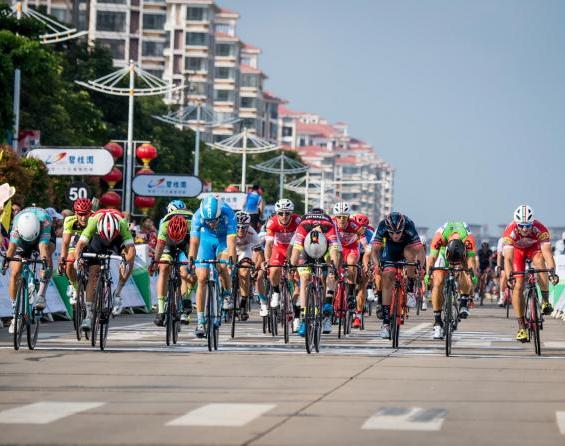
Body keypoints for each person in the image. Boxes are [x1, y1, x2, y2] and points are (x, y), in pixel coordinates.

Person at [503, 205, 559, 342]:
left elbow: (548, 254)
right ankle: (522, 326)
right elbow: (508, 259)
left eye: (527, 226)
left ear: (532, 223)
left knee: (540, 261)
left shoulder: (541, 229)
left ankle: (545, 301)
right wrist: (510, 276)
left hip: (534, 249)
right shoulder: (510, 231)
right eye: (521, 225)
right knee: (519, 284)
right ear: (517, 224)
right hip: (518, 253)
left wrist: (552, 272)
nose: (524, 229)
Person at [73, 209, 136, 329]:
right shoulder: (93, 222)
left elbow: (131, 250)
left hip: (117, 240)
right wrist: (78, 259)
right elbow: (79, 245)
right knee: (93, 273)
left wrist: (125, 261)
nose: (108, 241)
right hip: (98, 239)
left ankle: (117, 292)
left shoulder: (122, 223)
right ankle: (89, 315)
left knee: (129, 263)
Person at [188, 195, 237, 338]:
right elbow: (194, 242)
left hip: (223, 240)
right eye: (208, 221)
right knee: (202, 278)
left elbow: (231, 242)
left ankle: (227, 294)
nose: (211, 223)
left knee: (222, 266)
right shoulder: (197, 216)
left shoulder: (228, 213)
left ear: (219, 214)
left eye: (214, 220)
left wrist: (231, 261)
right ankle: (201, 321)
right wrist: (191, 259)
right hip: (205, 240)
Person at [370, 212, 425, 339]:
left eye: (398, 232)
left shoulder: (409, 226)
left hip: (407, 248)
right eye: (392, 233)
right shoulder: (383, 226)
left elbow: (420, 251)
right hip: (389, 250)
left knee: (411, 256)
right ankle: (385, 324)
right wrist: (377, 265)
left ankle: (410, 289)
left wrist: (421, 267)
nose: (395, 235)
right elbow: (374, 251)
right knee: (388, 276)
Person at [2, 206, 54, 334]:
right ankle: (15, 314)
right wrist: (7, 261)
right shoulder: (17, 225)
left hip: (41, 237)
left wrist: (44, 264)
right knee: (14, 273)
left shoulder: (45, 222)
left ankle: (41, 294)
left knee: (47, 255)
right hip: (23, 240)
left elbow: (42, 247)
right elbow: (12, 248)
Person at [290, 208, 341, 337]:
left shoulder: (328, 226)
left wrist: (333, 269)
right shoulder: (303, 226)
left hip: (326, 249)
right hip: (305, 251)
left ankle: (327, 302)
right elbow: (295, 254)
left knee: (331, 269)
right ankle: (304, 317)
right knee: (305, 277)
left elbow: (334, 251)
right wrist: (292, 267)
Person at [425, 222, 479, 340]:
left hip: (461, 252)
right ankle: (438, 322)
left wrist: (472, 275)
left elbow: (471, 262)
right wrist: (428, 274)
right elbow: (432, 258)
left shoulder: (468, 240)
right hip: (444, 251)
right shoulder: (439, 237)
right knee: (438, 282)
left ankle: (464, 302)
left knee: (467, 271)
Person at [149, 201, 194, 326]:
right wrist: (154, 262)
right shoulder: (164, 224)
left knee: (186, 270)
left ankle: (186, 300)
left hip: (187, 242)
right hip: (168, 243)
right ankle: (161, 309)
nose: (176, 241)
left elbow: (195, 247)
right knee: (163, 267)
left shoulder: (192, 224)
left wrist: (192, 264)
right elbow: (159, 246)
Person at [264, 199, 301, 329]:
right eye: (281, 213)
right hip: (278, 249)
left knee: (297, 279)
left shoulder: (297, 221)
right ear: (277, 214)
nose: (284, 216)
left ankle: (297, 317)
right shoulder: (272, 222)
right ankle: (276, 292)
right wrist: (267, 261)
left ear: (291, 214)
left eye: (287, 213)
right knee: (273, 270)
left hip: (295, 250)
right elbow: (268, 244)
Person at [331, 202, 365, 330]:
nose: (341, 220)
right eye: (339, 217)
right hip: (337, 249)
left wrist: (366, 247)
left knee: (351, 263)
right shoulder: (332, 223)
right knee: (333, 268)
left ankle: (350, 294)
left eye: (344, 217)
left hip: (351, 248)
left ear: (348, 217)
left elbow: (362, 236)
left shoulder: (353, 225)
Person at [58, 198, 94, 305]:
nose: (83, 218)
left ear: (90, 213)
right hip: (78, 241)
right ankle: (74, 287)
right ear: (75, 213)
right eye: (80, 214)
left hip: (92, 242)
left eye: (86, 214)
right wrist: (63, 259)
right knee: (69, 264)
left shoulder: (95, 218)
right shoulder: (70, 220)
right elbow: (65, 243)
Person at [234, 211, 265, 320]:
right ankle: (226, 295)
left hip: (244, 251)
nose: (240, 230)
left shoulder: (253, 233)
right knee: (226, 269)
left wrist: (255, 267)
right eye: (238, 227)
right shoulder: (229, 231)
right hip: (231, 249)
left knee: (244, 271)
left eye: (244, 228)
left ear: (248, 226)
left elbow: (259, 254)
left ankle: (243, 303)